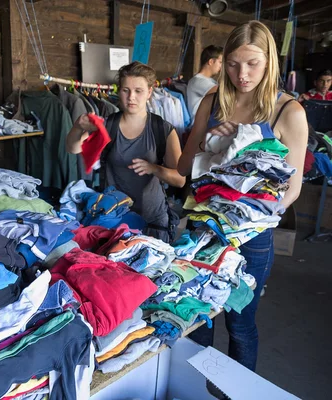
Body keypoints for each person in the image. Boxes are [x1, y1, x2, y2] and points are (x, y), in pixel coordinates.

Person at [178, 21, 308, 372]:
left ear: (269, 62)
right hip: (203, 228)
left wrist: (247, 219)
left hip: (252, 238)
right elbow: (183, 165)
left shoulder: (289, 112)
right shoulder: (213, 99)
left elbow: (292, 189)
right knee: (196, 316)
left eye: (252, 63)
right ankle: (192, 391)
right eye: (233, 63)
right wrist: (210, 141)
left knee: (240, 322)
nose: (242, 74)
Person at [66, 62, 186, 243]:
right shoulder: (108, 125)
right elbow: (73, 148)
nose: (131, 97)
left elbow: (179, 179)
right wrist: (78, 127)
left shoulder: (162, 129)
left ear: (149, 92)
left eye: (138, 91)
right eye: (125, 90)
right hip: (114, 218)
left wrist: (153, 168)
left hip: (152, 220)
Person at [187, 45, 224, 123]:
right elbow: (224, 94)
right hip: (200, 126)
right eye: (220, 62)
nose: (222, 66)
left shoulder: (209, 81)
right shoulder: (197, 81)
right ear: (211, 62)